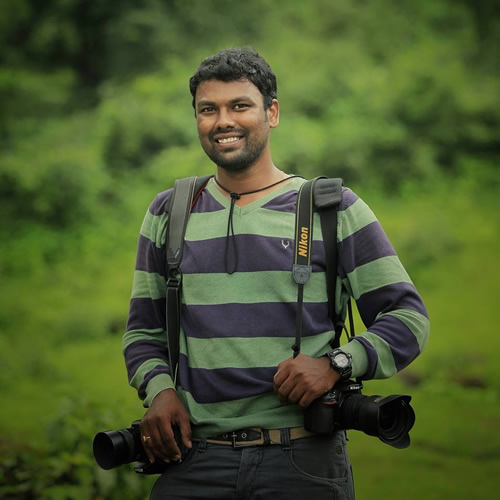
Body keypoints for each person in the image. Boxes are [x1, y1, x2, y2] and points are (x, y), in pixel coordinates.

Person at [123, 47, 430, 499]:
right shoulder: (170, 213)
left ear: (272, 112)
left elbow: (408, 319)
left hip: (302, 463)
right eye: (208, 110)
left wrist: (335, 365)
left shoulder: (332, 209)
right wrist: (161, 392)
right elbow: (143, 333)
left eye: (240, 106)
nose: (222, 121)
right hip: (193, 463)